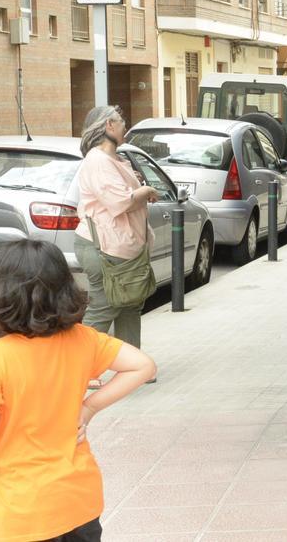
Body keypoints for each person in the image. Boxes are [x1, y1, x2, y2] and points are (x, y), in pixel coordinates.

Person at [0, 240, 157, 542]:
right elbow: (142, 366)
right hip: (80, 498)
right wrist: (89, 407)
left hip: (25, 510)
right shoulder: (83, 339)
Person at [72, 105, 159, 386]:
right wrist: (144, 191)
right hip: (104, 248)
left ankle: (133, 367)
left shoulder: (114, 160)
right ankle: (79, 370)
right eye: (121, 122)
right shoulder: (97, 161)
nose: (125, 127)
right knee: (105, 306)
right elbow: (118, 201)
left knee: (129, 305)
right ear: (109, 125)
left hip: (121, 247)